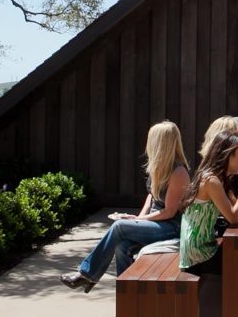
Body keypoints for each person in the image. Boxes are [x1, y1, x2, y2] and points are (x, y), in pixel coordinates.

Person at [59, 121, 191, 292]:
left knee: (119, 226)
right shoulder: (157, 167)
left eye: (151, 140)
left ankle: (87, 274)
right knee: (122, 247)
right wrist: (137, 219)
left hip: (172, 227)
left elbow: (169, 211)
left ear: (161, 143)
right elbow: (151, 197)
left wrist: (140, 220)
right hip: (156, 222)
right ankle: (126, 304)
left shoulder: (178, 172)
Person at [178, 132, 238, 274]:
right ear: (228, 155)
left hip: (207, 247)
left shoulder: (221, 178)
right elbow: (234, 218)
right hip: (198, 255)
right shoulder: (211, 180)